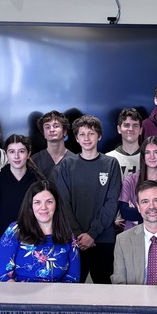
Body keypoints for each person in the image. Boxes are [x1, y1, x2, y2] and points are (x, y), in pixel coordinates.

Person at [54, 115, 122, 283]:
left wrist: (92, 234)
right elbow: (63, 203)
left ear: (99, 136)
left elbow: (112, 203)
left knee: (104, 289)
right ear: (76, 138)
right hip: (73, 239)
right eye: (82, 134)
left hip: (103, 238)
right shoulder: (66, 165)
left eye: (91, 133)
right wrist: (78, 234)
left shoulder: (111, 164)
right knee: (73, 291)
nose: (86, 138)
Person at [0, 181, 80, 283]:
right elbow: (1, 273)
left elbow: (73, 277)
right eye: (37, 202)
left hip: (57, 296)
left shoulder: (67, 234)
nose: (43, 207)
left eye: (49, 201)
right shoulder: (15, 230)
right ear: (30, 205)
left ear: (56, 204)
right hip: (19, 295)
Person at [0, 134, 45, 277]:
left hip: (32, 244)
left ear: (29, 153)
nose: (17, 156)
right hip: (1, 243)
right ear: (6, 153)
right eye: (12, 151)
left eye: (21, 151)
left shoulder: (39, 182)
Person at [30, 110, 75, 181]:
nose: (51, 130)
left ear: (64, 131)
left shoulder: (75, 162)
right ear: (43, 133)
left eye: (56, 126)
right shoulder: (34, 161)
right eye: (47, 127)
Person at [107, 108, 144, 177]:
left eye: (135, 125)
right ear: (119, 129)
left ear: (140, 130)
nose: (131, 129)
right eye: (126, 125)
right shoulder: (109, 158)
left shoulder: (149, 158)